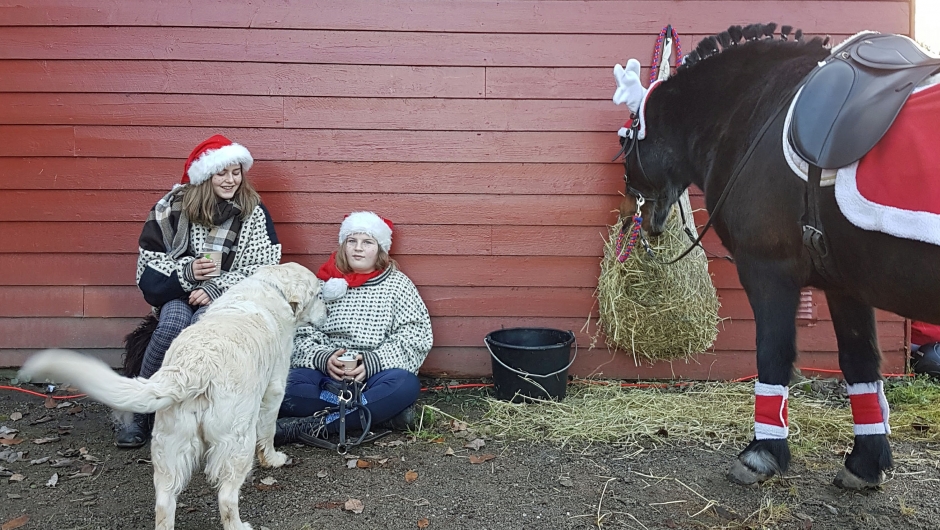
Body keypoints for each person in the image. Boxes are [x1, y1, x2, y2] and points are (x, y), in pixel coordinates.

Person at [117, 134, 282, 448]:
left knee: (203, 330)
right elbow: (149, 268)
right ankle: (139, 410)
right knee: (172, 326)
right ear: (206, 176)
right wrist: (187, 272)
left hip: (228, 296)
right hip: (178, 290)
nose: (231, 180)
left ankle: (193, 416)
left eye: (236, 172)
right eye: (222, 173)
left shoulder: (253, 212)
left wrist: (217, 287)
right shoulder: (170, 208)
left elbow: (264, 268)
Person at [274, 211, 433, 446]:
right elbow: (301, 331)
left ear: (380, 249)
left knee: (405, 385)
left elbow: (415, 335)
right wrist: (324, 358)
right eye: (352, 241)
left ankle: (311, 426)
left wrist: (372, 362)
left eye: (367, 242)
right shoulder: (324, 285)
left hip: (375, 376)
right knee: (285, 385)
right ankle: (381, 415)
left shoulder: (398, 285)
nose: (358, 248)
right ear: (343, 246)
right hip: (327, 379)